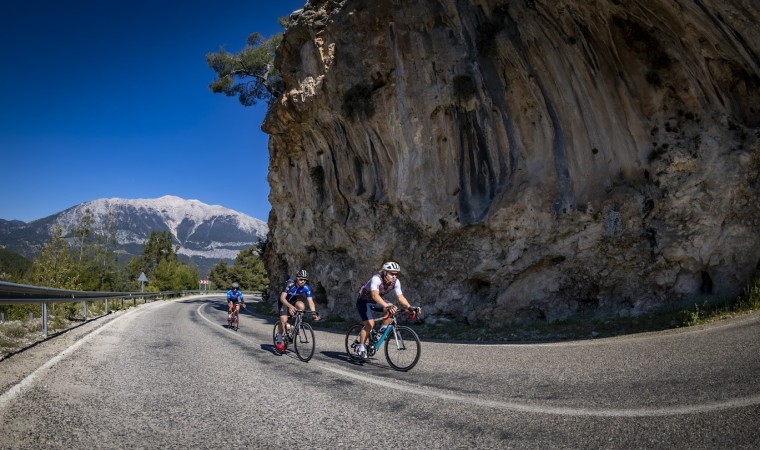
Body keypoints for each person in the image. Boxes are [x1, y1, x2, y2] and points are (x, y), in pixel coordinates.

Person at [355, 261, 420, 360]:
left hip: (376, 301)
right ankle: (361, 347)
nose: (394, 276)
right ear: (385, 272)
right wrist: (386, 305)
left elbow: (400, 297)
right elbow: (374, 295)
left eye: (396, 274)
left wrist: (409, 307)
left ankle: (380, 332)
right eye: (392, 273)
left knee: (391, 307)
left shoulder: (396, 282)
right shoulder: (376, 279)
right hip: (363, 301)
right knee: (370, 324)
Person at [276, 269, 320, 352]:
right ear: (297, 278)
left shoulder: (307, 287)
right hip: (284, 301)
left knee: (301, 306)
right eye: (301, 279)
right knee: (283, 320)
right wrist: (290, 306)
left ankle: (296, 326)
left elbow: (310, 301)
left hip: (293, 300)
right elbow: (282, 298)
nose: (303, 281)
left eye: (305, 280)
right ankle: (279, 340)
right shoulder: (290, 284)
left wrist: (314, 313)